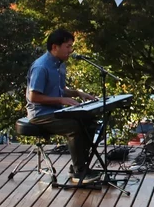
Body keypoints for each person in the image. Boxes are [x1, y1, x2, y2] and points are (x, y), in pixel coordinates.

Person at [26, 28, 99, 183]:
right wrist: (60, 100)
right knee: (74, 126)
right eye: (67, 46)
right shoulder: (41, 67)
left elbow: (61, 90)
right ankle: (80, 171)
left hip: (55, 111)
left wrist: (79, 93)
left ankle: (79, 166)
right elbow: (33, 96)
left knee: (90, 121)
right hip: (40, 114)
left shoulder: (60, 64)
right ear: (54, 47)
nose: (71, 50)